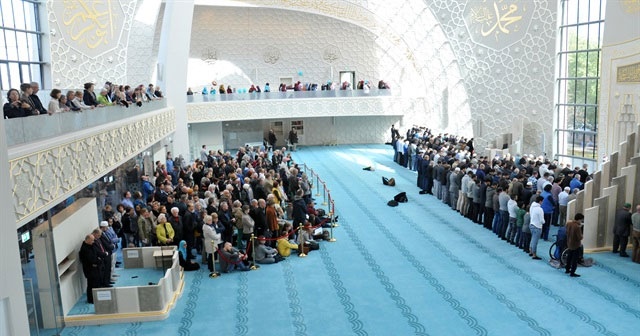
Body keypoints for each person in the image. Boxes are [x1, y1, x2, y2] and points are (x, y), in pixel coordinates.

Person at [79, 234, 101, 304]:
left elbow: (96, 253)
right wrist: (97, 261)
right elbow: (91, 260)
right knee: (91, 285)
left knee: (96, 284)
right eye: (92, 240)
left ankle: (95, 297)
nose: (93, 241)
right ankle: (91, 299)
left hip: (94, 268)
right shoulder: (84, 249)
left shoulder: (91, 246)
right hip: (90, 270)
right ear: (87, 240)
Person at [565, 213, 584, 277]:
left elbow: (566, 232)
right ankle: (572, 272)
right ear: (579, 220)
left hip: (569, 243)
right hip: (576, 245)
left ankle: (567, 269)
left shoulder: (569, 224)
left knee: (569, 257)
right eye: (581, 220)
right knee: (574, 259)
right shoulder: (577, 227)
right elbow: (580, 237)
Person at [529, 196, 544, 260]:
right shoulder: (540, 209)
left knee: (532, 239)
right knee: (535, 241)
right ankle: (534, 254)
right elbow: (542, 220)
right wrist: (544, 222)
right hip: (537, 226)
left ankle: (530, 251)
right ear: (540, 201)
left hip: (531, 224)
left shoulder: (532, 206)